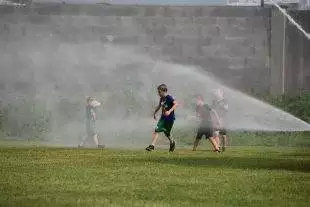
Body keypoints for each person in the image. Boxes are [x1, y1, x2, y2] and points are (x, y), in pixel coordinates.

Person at [145, 84, 178, 152]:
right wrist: (154, 112)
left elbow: (176, 104)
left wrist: (169, 111)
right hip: (163, 118)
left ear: (164, 91)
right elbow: (159, 106)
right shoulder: (161, 99)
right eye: (158, 92)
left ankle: (172, 143)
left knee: (167, 133)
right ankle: (152, 146)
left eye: (159, 92)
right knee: (157, 130)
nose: (158, 93)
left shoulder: (169, 97)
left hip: (170, 118)